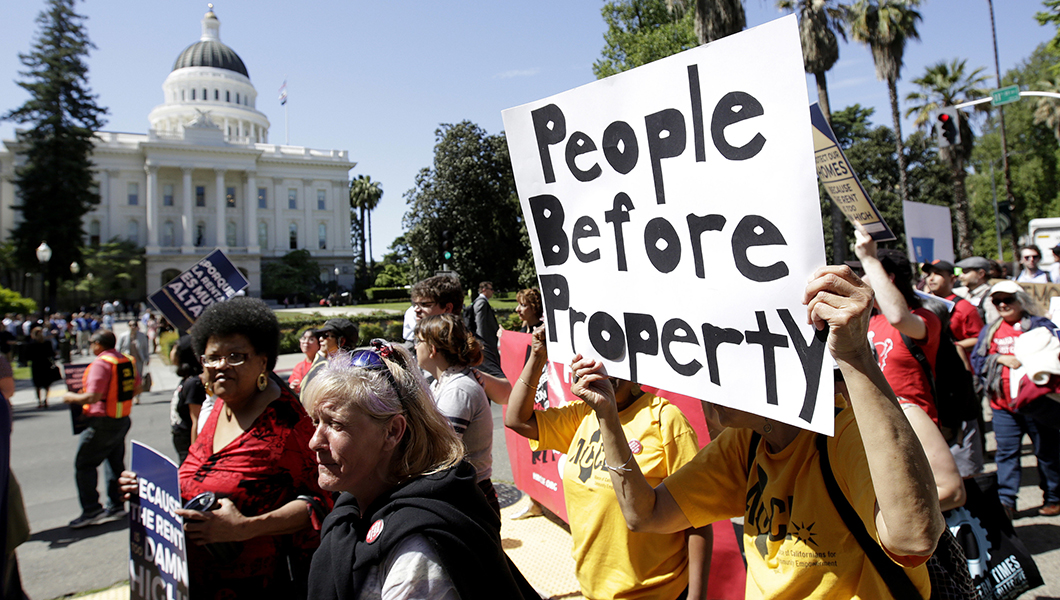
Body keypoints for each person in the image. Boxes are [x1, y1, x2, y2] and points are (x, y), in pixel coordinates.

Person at [572, 265, 944, 598]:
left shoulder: (842, 433)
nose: (704, 383)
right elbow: (646, 515)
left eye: (720, 359)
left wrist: (855, 354)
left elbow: (913, 539)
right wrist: (607, 416)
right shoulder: (745, 444)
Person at [119, 298, 331, 598]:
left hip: (258, 586)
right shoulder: (221, 405)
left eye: (236, 356)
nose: (221, 366)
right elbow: (201, 477)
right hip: (192, 580)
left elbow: (323, 502)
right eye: (212, 357)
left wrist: (247, 527)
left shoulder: (288, 424)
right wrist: (150, 489)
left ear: (263, 361)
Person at [303, 341, 535, 600]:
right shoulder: (350, 511)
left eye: (336, 424)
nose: (314, 442)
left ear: (392, 432)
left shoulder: (416, 557)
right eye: (316, 421)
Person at [505, 325, 711, 600]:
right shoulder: (583, 413)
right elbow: (517, 420)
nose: (603, 368)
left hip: (656, 592)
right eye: (595, 357)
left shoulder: (665, 419)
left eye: (614, 359)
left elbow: (697, 520)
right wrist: (538, 355)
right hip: (593, 589)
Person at [971, 280, 1060, 518]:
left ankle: (1053, 497)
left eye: (1008, 300)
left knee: (1047, 453)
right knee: (1006, 454)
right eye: (996, 301)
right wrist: (999, 359)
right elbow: (977, 361)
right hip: (1002, 407)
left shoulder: (1041, 325)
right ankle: (1006, 502)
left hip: (1037, 404)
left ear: (1021, 300)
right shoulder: (990, 330)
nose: (1002, 305)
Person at [414, 313, 499, 514]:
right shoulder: (444, 382)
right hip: (463, 490)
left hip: (468, 498)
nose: (415, 347)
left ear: (433, 349)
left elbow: (439, 450)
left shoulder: (458, 390)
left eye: (419, 341)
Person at [61, 331, 136, 528]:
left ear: (98, 344)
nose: (91, 346)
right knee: (114, 462)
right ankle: (117, 505)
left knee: (84, 465)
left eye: (92, 342)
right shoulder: (126, 361)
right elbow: (137, 388)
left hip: (102, 422)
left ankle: (92, 509)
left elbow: (92, 397)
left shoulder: (101, 364)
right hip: (121, 418)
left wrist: (70, 397)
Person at [169, 335, 205, 463]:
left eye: (175, 349)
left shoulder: (193, 384)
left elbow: (197, 421)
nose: (171, 353)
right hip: (181, 440)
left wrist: (196, 455)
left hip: (189, 443)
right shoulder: (187, 380)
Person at [299, 318, 359, 394]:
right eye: (320, 335)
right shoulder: (324, 359)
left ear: (341, 341)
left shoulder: (345, 368)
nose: (320, 339)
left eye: (326, 335)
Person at [469, 281, 503, 377]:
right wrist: (482, 343)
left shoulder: (480, 301)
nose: (493, 291)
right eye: (491, 289)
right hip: (487, 341)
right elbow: (480, 323)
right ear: (484, 290)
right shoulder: (481, 303)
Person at [118, 320, 151, 404]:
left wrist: (147, 358)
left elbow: (146, 348)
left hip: (138, 360)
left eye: (134, 325)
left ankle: (137, 397)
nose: (133, 327)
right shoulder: (123, 336)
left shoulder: (142, 336)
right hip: (126, 361)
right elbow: (118, 348)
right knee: (128, 378)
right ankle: (129, 396)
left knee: (138, 378)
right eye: (131, 325)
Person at [26, 327, 56, 409]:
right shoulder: (47, 343)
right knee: (46, 383)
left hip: (36, 365)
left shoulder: (31, 344)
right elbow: (52, 354)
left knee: (37, 384)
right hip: (46, 364)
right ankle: (46, 399)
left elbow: (27, 356)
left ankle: (39, 401)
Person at [288, 328, 320, 395]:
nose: (306, 342)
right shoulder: (299, 367)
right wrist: (292, 388)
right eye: (304, 338)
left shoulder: (324, 365)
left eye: (311, 339)